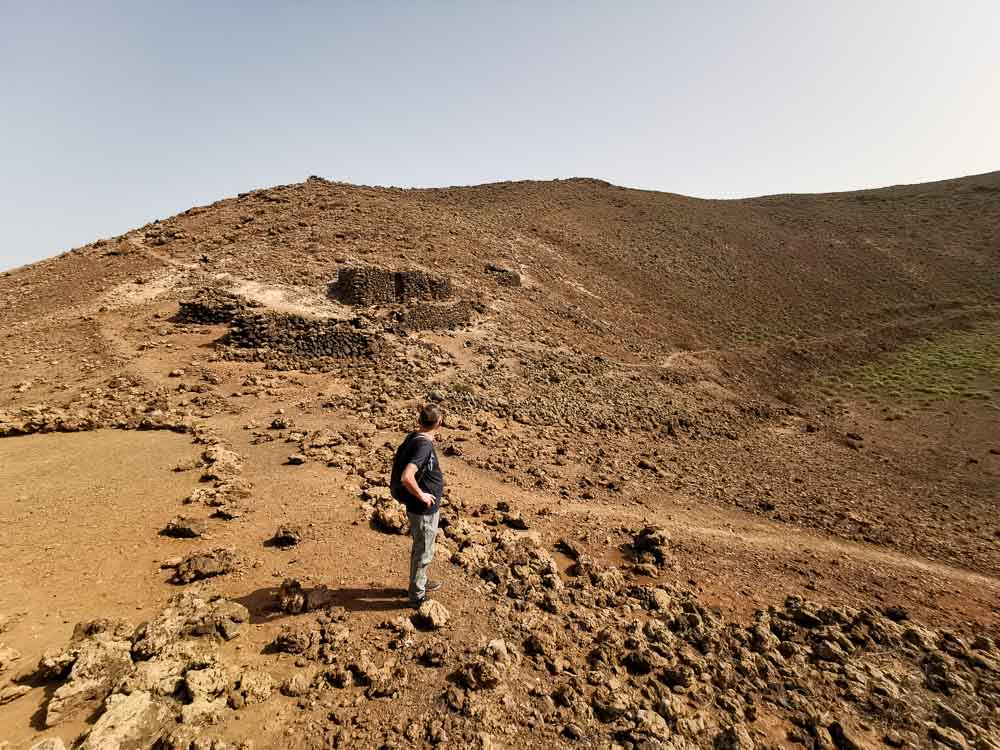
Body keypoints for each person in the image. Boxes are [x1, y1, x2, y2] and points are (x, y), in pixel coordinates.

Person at [390, 403, 445, 607]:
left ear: (420, 421)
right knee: (423, 551)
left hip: (420, 508)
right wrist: (422, 495)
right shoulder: (423, 445)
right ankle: (417, 596)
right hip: (423, 510)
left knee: (421, 548)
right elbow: (407, 476)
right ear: (439, 423)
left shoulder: (415, 437)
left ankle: (419, 582)